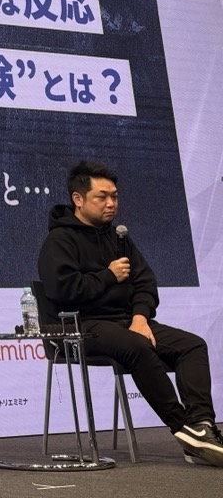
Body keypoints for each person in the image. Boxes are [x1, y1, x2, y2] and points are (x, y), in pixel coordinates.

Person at [37, 160, 223, 466]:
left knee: (191, 345)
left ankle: (202, 426)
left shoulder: (118, 237)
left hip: (127, 322)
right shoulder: (59, 241)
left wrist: (140, 317)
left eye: (115, 196)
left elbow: (145, 283)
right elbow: (62, 291)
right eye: (102, 197)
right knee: (136, 346)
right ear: (78, 199)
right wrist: (108, 276)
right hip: (82, 326)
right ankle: (183, 429)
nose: (111, 203)